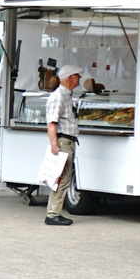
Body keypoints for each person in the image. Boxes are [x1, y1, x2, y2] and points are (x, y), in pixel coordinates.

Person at [43, 69, 82, 227]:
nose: (80, 79)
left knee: (63, 177)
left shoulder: (66, 95)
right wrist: (54, 144)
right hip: (63, 141)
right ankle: (53, 214)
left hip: (67, 141)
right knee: (62, 178)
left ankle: (53, 212)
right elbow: (51, 123)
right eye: (77, 76)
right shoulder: (59, 96)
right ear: (70, 77)